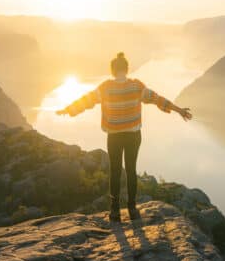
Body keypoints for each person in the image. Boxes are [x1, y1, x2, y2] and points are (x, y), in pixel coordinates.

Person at [55, 52, 192, 222]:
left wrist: (68, 110)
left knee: (115, 171)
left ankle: (114, 212)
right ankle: (133, 209)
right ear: (126, 69)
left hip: (114, 137)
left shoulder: (106, 88)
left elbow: (86, 100)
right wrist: (179, 110)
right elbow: (157, 99)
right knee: (131, 170)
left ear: (112, 70)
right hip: (133, 135)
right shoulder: (136, 86)